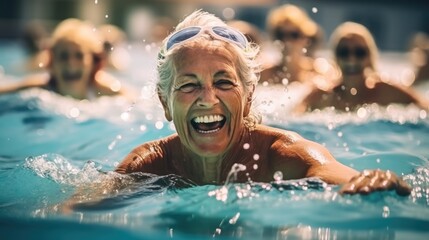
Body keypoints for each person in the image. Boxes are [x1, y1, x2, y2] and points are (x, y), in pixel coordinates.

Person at [115, 10, 411, 196]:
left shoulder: (284, 156)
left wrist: (373, 182)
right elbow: (78, 211)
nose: (208, 99)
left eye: (223, 82)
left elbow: (340, 178)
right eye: (189, 85)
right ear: (164, 102)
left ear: (248, 96)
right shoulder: (148, 165)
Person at [296, 22, 429, 112]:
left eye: (359, 52)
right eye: (344, 52)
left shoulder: (385, 91)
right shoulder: (322, 95)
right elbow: (293, 118)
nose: (351, 58)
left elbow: (424, 108)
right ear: (336, 58)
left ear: (370, 58)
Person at [0, 18, 132, 100]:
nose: (71, 64)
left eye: (79, 56)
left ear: (93, 63)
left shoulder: (108, 90)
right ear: (52, 62)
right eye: (63, 56)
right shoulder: (41, 87)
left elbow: (136, 101)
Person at [259, 4, 336, 87]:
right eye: (281, 35)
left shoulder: (318, 73)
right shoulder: (265, 74)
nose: (287, 41)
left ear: (305, 38)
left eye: (294, 35)